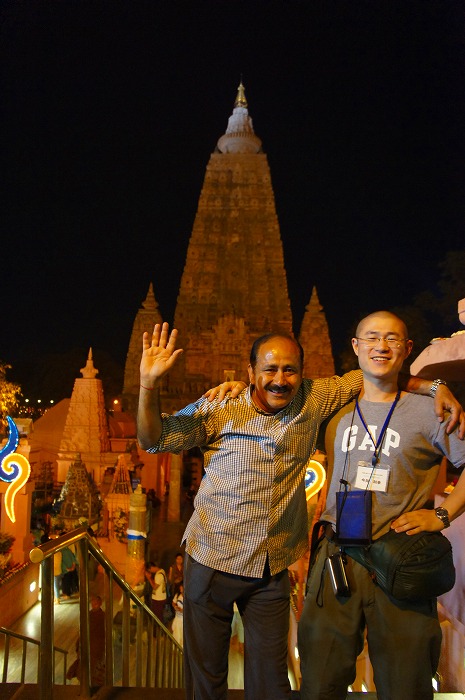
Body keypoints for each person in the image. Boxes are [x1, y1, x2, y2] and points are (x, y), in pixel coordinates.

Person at [137, 322, 464, 700]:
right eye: (269, 370)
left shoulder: (314, 396)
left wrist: (436, 387)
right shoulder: (220, 406)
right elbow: (154, 438)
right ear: (250, 372)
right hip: (213, 558)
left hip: (271, 567)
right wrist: (148, 386)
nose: (280, 380)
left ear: (302, 373)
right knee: (207, 679)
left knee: (272, 682)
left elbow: (379, 372)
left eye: (289, 370)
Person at [297, 311, 465, 700]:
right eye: (372, 338)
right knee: (320, 679)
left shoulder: (431, 411)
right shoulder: (333, 409)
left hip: (401, 558)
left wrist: (441, 515)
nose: (381, 346)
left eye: (392, 339)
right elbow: (272, 397)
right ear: (356, 347)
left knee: (406, 682)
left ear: (407, 349)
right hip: (338, 555)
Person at [144, 559, 167, 624]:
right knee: (159, 615)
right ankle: (158, 627)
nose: (150, 572)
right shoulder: (162, 571)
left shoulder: (158, 575)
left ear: (151, 568)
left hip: (158, 599)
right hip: (161, 597)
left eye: (149, 570)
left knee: (158, 616)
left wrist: (149, 578)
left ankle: (158, 628)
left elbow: (154, 587)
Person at [171, 581, 184, 647]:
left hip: (183, 619)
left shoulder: (188, 597)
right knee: (176, 633)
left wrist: (182, 610)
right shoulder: (178, 594)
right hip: (177, 617)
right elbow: (173, 602)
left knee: (182, 634)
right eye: (180, 588)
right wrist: (175, 606)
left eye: (182, 588)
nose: (180, 589)